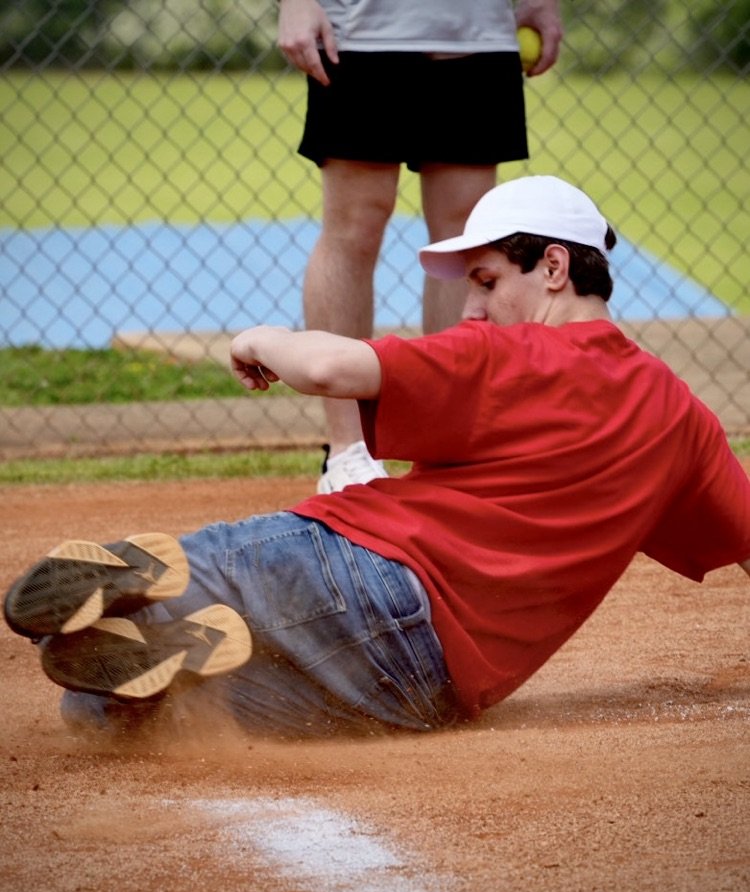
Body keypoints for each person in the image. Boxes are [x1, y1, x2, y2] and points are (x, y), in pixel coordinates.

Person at [4, 175, 750, 742]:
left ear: (554, 267)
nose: (471, 309)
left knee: (124, 603)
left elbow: (334, 368)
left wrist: (260, 338)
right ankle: (178, 652)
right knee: (101, 713)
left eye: (487, 281)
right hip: (426, 690)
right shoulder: (682, 418)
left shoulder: (511, 355)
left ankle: (175, 596)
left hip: (370, 570)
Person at [277, 0, 564, 493]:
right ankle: (348, 451)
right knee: (353, 228)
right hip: (360, 34)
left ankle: (444, 449)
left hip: (477, 34)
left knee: (465, 241)